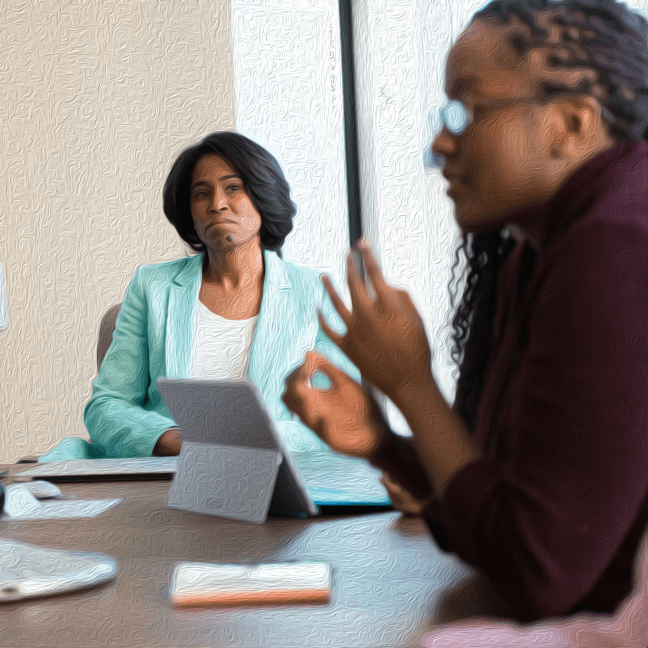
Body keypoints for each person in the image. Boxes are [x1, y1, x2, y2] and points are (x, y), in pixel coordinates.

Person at [282, 0, 648, 623]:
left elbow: (538, 573)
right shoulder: (535, 249)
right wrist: (384, 444)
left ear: (571, 122)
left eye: (467, 109)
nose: (440, 142)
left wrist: (410, 384)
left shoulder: (615, 245)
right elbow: (499, 521)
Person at [40, 131, 357, 461]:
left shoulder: (314, 292)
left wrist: (249, 439)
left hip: (272, 471)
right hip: (167, 472)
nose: (217, 204)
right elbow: (106, 406)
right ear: (190, 212)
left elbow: (342, 417)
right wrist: (172, 440)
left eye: (233, 188)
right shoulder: (152, 287)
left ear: (262, 194)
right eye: (201, 194)